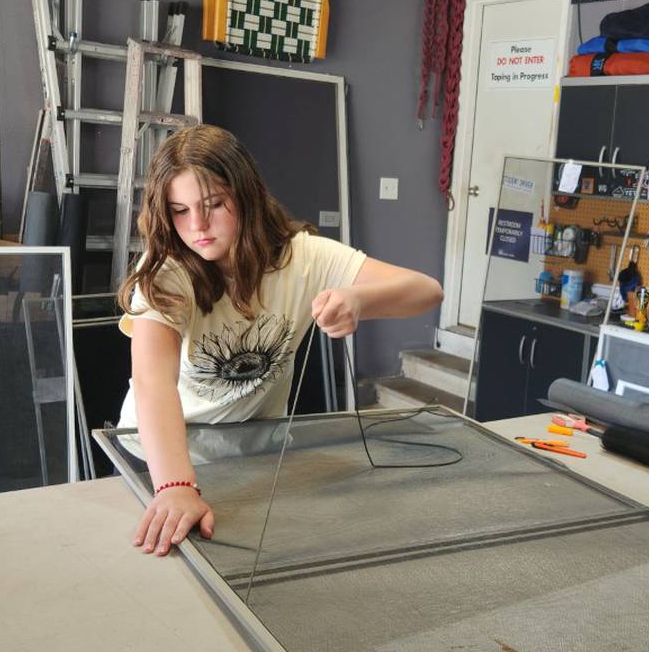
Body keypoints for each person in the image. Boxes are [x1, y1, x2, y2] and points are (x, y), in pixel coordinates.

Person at [116, 125, 443, 556]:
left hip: (255, 452)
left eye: (213, 205)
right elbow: (152, 384)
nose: (197, 226)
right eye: (179, 211)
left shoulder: (305, 257)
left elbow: (426, 291)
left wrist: (358, 298)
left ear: (246, 194)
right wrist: (175, 485)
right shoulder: (167, 273)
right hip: (160, 457)